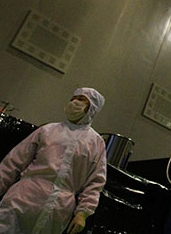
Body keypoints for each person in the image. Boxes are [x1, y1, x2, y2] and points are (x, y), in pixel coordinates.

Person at [0, 88, 107, 234]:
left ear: (93, 108)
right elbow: (13, 162)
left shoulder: (96, 143)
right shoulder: (47, 130)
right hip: (22, 199)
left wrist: (83, 213)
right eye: (73, 98)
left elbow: (95, 181)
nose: (74, 102)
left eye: (82, 99)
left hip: (58, 211)